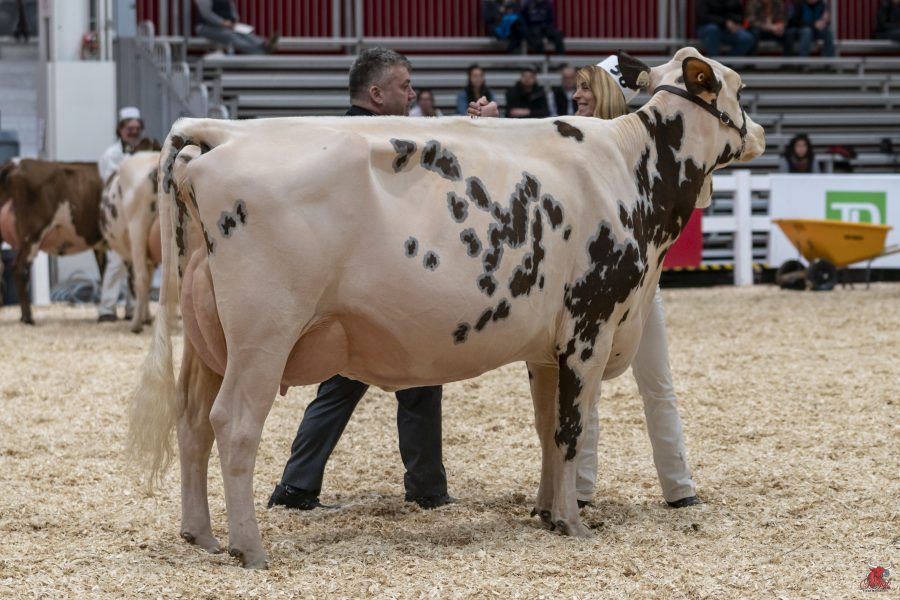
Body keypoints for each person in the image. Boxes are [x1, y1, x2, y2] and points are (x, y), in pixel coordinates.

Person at [468, 56, 700, 510]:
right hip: (580, 288)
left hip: (637, 284)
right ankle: (580, 490)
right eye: (576, 87)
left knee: (656, 384)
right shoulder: (571, 133)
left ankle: (679, 487)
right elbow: (530, 148)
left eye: (585, 87)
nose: (576, 95)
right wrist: (495, 126)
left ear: (608, 92)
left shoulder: (640, 140)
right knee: (583, 389)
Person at [269, 47, 455, 512]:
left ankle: (296, 487)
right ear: (376, 94)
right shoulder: (380, 140)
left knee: (340, 384)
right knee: (419, 374)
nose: (411, 94)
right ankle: (427, 489)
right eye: (404, 86)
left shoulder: (331, 138)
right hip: (390, 283)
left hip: (343, 285)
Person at [96, 107, 144, 323]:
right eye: (129, 128)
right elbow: (112, 184)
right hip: (117, 216)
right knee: (116, 262)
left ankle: (132, 309)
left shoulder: (141, 153)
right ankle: (106, 309)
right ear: (120, 130)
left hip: (138, 216)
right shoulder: (111, 155)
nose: (133, 132)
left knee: (137, 263)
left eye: (136, 128)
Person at [194, 0, 278, 55]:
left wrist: (235, 20)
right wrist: (222, 22)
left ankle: (263, 43)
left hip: (226, 26)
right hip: (206, 27)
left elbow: (232, 9)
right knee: (230, 35)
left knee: (244, 32)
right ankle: (261, 52)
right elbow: (206, 14)